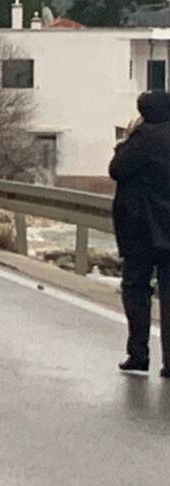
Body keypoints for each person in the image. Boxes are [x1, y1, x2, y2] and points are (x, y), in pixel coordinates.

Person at [109, 91, 170, 375]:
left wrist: (126, 142)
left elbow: (117, 170)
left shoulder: (142, 139)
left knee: (136, 289)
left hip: (140, 228)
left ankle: (138, 353)